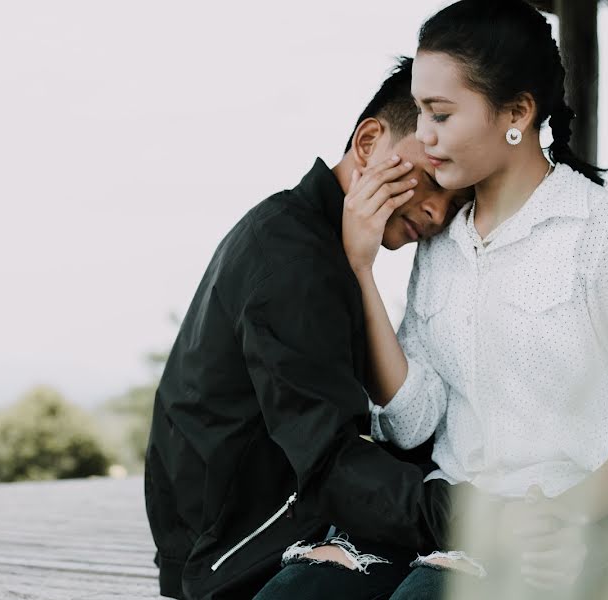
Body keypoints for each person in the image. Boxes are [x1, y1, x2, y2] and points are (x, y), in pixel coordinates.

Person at [336, 1, 608, 599]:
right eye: (421, 110)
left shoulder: (605, 230)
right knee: (303, 587)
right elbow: (414, 422)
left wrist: (562, 515)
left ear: (517, 112)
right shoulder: (443, 245)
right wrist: (362, 270)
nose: (422, 135)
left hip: (588, 520)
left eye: (440, 114)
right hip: (462, 516)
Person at [144, 57, 473, 600]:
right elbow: (331, 463)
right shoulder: (294, 259)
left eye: (458, 199)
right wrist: (470, 516)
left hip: (249, 504)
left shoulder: (312, 234)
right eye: (433, 178)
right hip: (229, 544)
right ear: (369, 142)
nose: (439, 213)